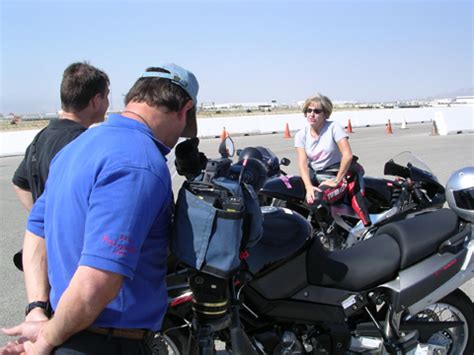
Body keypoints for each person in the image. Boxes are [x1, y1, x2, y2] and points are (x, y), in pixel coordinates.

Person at [1, 63, 199, 354]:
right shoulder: (139, 163)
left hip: (67, 328)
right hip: (106, 341)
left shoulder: (78, 147)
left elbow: (36, 231)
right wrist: (44, 341)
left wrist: (37, 310)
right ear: (184, 110)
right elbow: (97, 281)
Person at [11, 62, 110, 271]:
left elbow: (20, 183)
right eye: (106, 96)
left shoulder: (41, 137)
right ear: (96, 100)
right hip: (75, 260)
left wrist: (45, 220)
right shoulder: (84, 144)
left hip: (51, 255)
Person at [294, 93, 371, 226]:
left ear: (325, 114)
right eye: (309, 110)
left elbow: (347, 155)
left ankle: (331, 237)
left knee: (317, 199)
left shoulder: (333, 127)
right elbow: (302, 163)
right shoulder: (301, 135)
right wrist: (308, 186)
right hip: (316, 175)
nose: (312, 114)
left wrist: (337, 180)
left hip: (336, 174)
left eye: (317, 111)